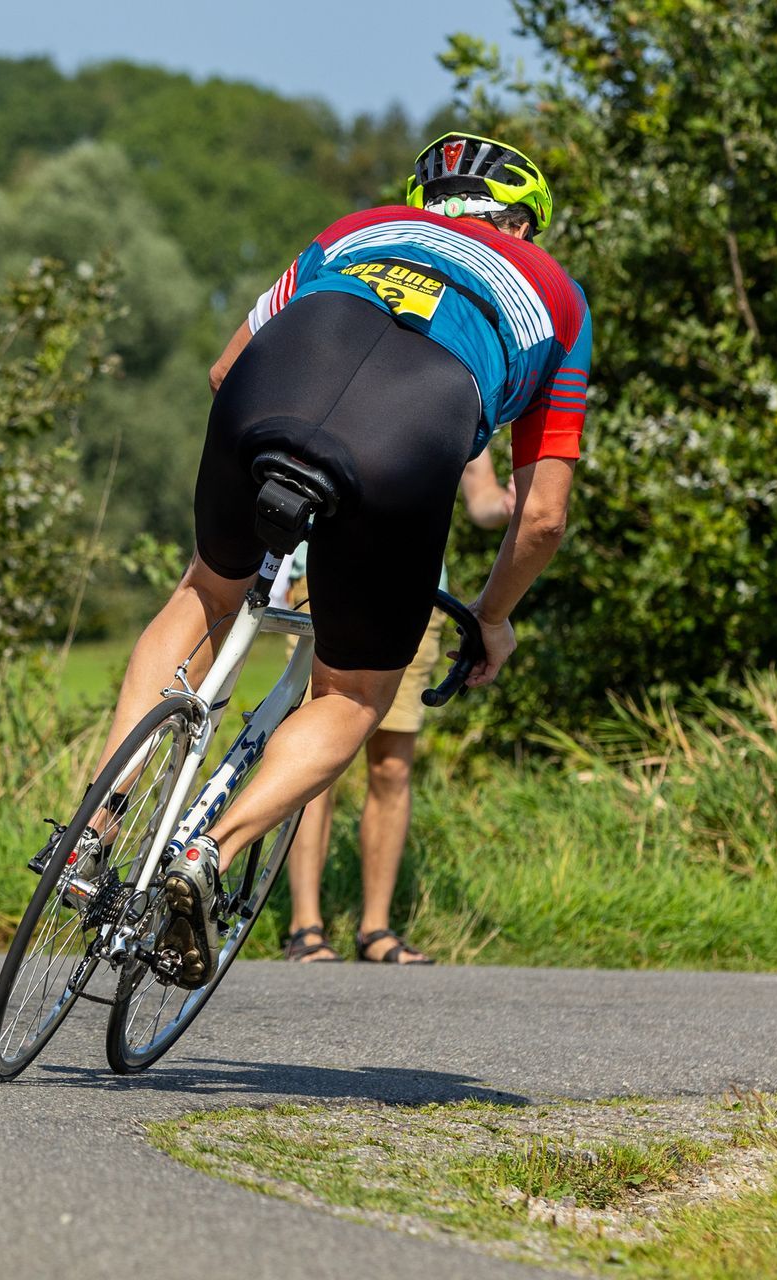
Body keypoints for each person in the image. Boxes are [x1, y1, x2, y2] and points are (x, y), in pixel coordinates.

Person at [89, 132, 591, 989]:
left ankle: (92, 830)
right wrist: (492, 617)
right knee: (357, 692)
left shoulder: (357, 227)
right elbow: (540, 518)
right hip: (413, 428)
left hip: (282, 377)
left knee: (209, 593)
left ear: (423, 202)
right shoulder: (556, 296)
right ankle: (210, 853)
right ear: (524, 225)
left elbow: (224, 371)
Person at [277, 455, 514, 966]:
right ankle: (305, 926)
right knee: (316, 762)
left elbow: (483, 500)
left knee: (391, 763)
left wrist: (510, 507)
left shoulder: (464, 390)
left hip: (419, 596)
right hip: (325, 578)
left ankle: (376, 929)